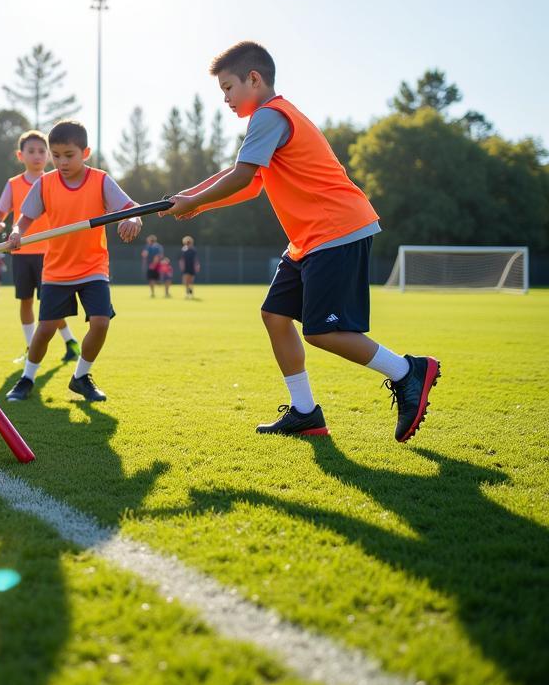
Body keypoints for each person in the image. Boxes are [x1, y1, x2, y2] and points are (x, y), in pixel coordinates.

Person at [161, 41, 440, 441]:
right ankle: (305, 412)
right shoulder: (270, 121)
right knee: (275, 316)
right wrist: (192, 203)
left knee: (321, 331)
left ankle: (408, 371)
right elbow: (251, 182)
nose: (224, 98)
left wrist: (194, 201)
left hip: (336, 229)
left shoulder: (269, 115)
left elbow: (241, 175)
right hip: (308, 241)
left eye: (227, 88)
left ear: (253, 79)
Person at [5, 120, 142, 403]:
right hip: (57, 270)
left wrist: (132, 218)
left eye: (69, 155)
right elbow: (26, 218)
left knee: (101, 323)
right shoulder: (45, 183)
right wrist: (17, 232)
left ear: (85, 152)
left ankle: (81, 376)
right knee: (44, 331)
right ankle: (27, 378)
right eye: (56, 156)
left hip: (93, 267)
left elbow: (131, 208)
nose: (61, 162)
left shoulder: (101, 180)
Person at [0, 130, 80, 362]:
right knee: (26, 300)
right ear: (21, 155)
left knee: (51, 303)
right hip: (21, 252)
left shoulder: (54, 181)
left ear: (49, 155)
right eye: (31, 151)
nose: (37, 156)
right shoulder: (13, 184)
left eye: (42, 151)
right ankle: (31, 347)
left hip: (51, 253)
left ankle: (70, 341)